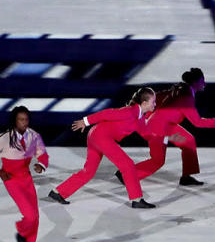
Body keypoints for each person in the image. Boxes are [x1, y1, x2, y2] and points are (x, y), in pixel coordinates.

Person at [49, 87, 182, 209]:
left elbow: (148, 135)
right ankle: (136, 199)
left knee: (89, 171)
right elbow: (106, 113)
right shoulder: (130, 111)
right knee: (128, 165)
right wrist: (85, 121)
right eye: (153, 101)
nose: (155, 104)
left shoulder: (140, 118)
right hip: (101, 137)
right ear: (144, 103)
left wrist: (168, 138)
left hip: (96, 136)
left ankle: (58, 192)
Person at [133, 67, 215, 186]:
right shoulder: (186, 97)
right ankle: (128, 174)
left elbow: (159, 97)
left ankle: (186, 177)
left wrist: (148, 115)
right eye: (202, 80)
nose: (204, 83)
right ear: (195, 82)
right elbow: (197, 122)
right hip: (158, 127)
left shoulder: (182, 89)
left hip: (167, 125)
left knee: (188, 141)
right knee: (157, 161)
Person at [0, 106, 49, 242]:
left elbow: (43, 154)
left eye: (26, 119)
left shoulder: (34, 136)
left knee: (35, 216)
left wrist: (41, 165)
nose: (24, 123)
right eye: (21, 120)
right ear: (15, 120)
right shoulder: (5, 137)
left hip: (26, 178)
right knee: (30, 216)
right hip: (11, 179)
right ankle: (22, 232)